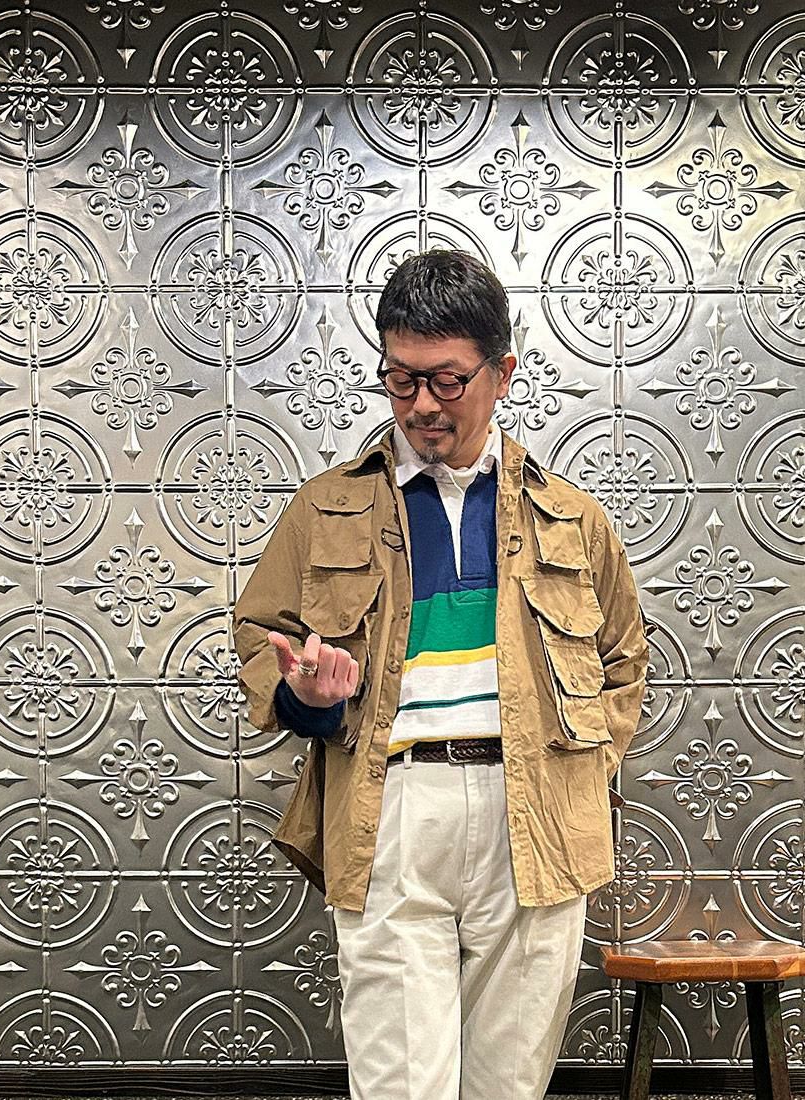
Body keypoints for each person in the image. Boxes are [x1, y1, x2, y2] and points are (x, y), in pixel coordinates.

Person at [233, 250, 649, 1100]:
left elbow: (623, 662)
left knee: (510, 1083)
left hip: (536, 818)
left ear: (502, 373)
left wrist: (579, 771)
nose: (422, 404)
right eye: (401, 379)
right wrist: (308, 699)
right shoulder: (324, 508)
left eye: (447, 380)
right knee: (400, 1084)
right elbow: (261, 640)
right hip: (389, 806)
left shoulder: (572, 517)